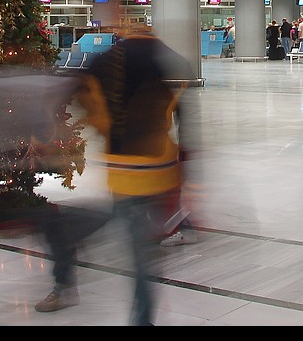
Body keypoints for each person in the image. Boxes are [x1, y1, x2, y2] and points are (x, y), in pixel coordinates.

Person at [35, 27, 188, 326]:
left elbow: (66, 94)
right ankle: (140, 319)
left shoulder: (104, 60)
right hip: (159, 172)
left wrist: (52, 134)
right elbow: (181, 114)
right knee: (140, 252)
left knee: (121, 233)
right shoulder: (163, 61)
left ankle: (65, 278)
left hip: (123, 174)